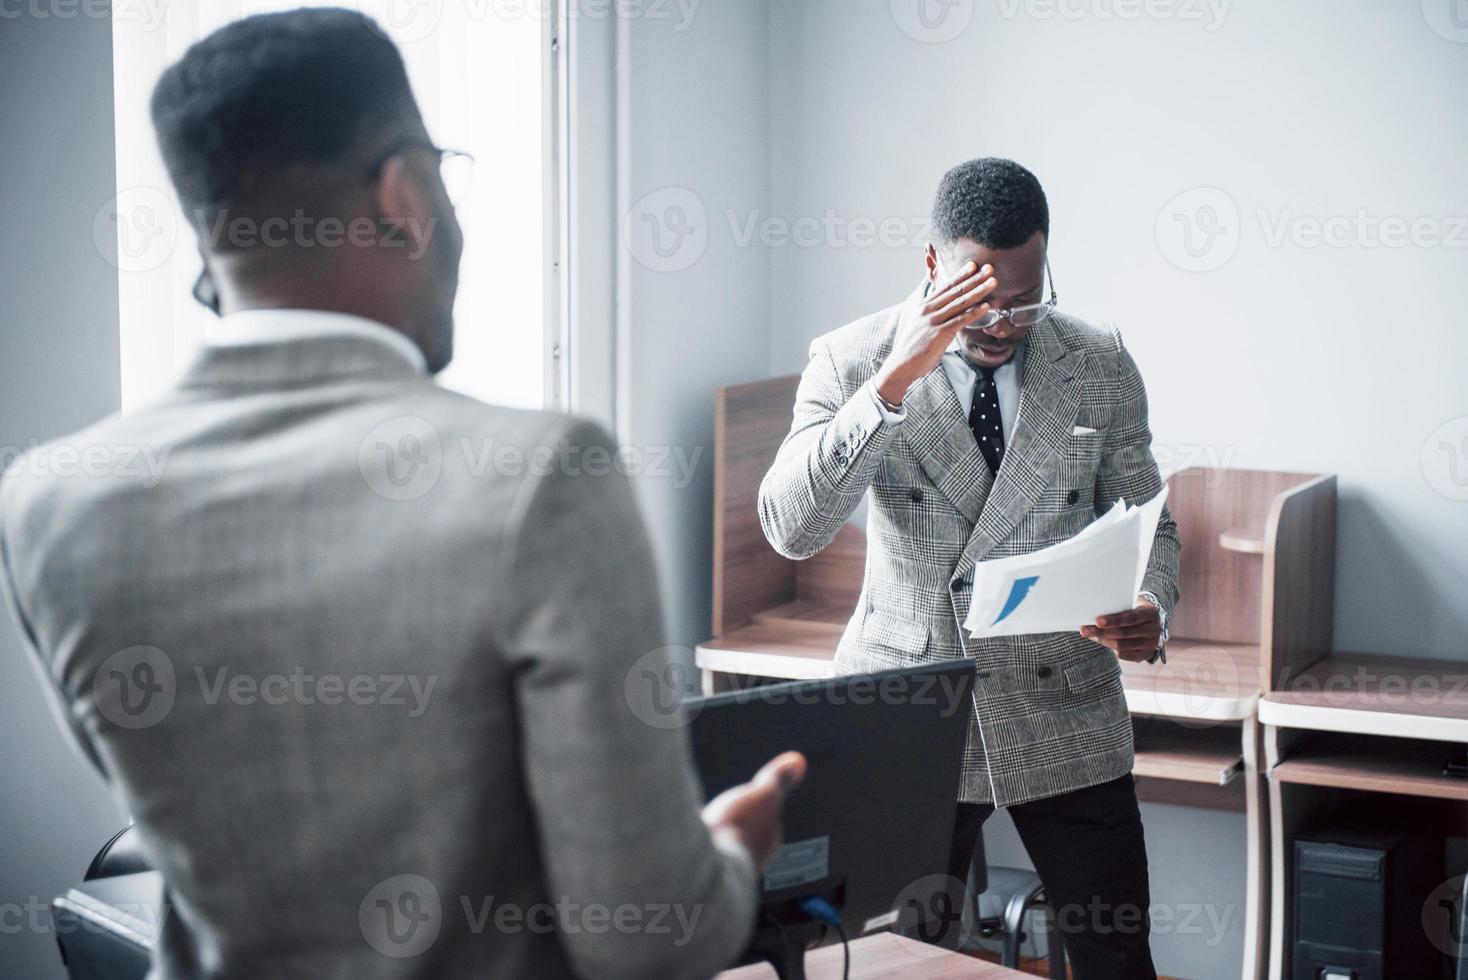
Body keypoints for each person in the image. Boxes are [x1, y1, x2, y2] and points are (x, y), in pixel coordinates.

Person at [0, 9, 803, 978]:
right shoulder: (547, 477)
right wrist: (729, 851)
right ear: (402, 193)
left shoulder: (46, 505)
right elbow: (643, 937)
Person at [758, 157, 1180, 979]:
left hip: (1066, 705)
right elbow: (790, 529)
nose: (1001, 324)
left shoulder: (1097, 363)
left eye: (1024, 301)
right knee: (893, 960)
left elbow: (1153, 523)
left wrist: (1150, 609)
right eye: (979, 301)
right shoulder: (853, 359)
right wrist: (894, 381)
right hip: (912, 710)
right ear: (931, 267)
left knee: (1116, 955)